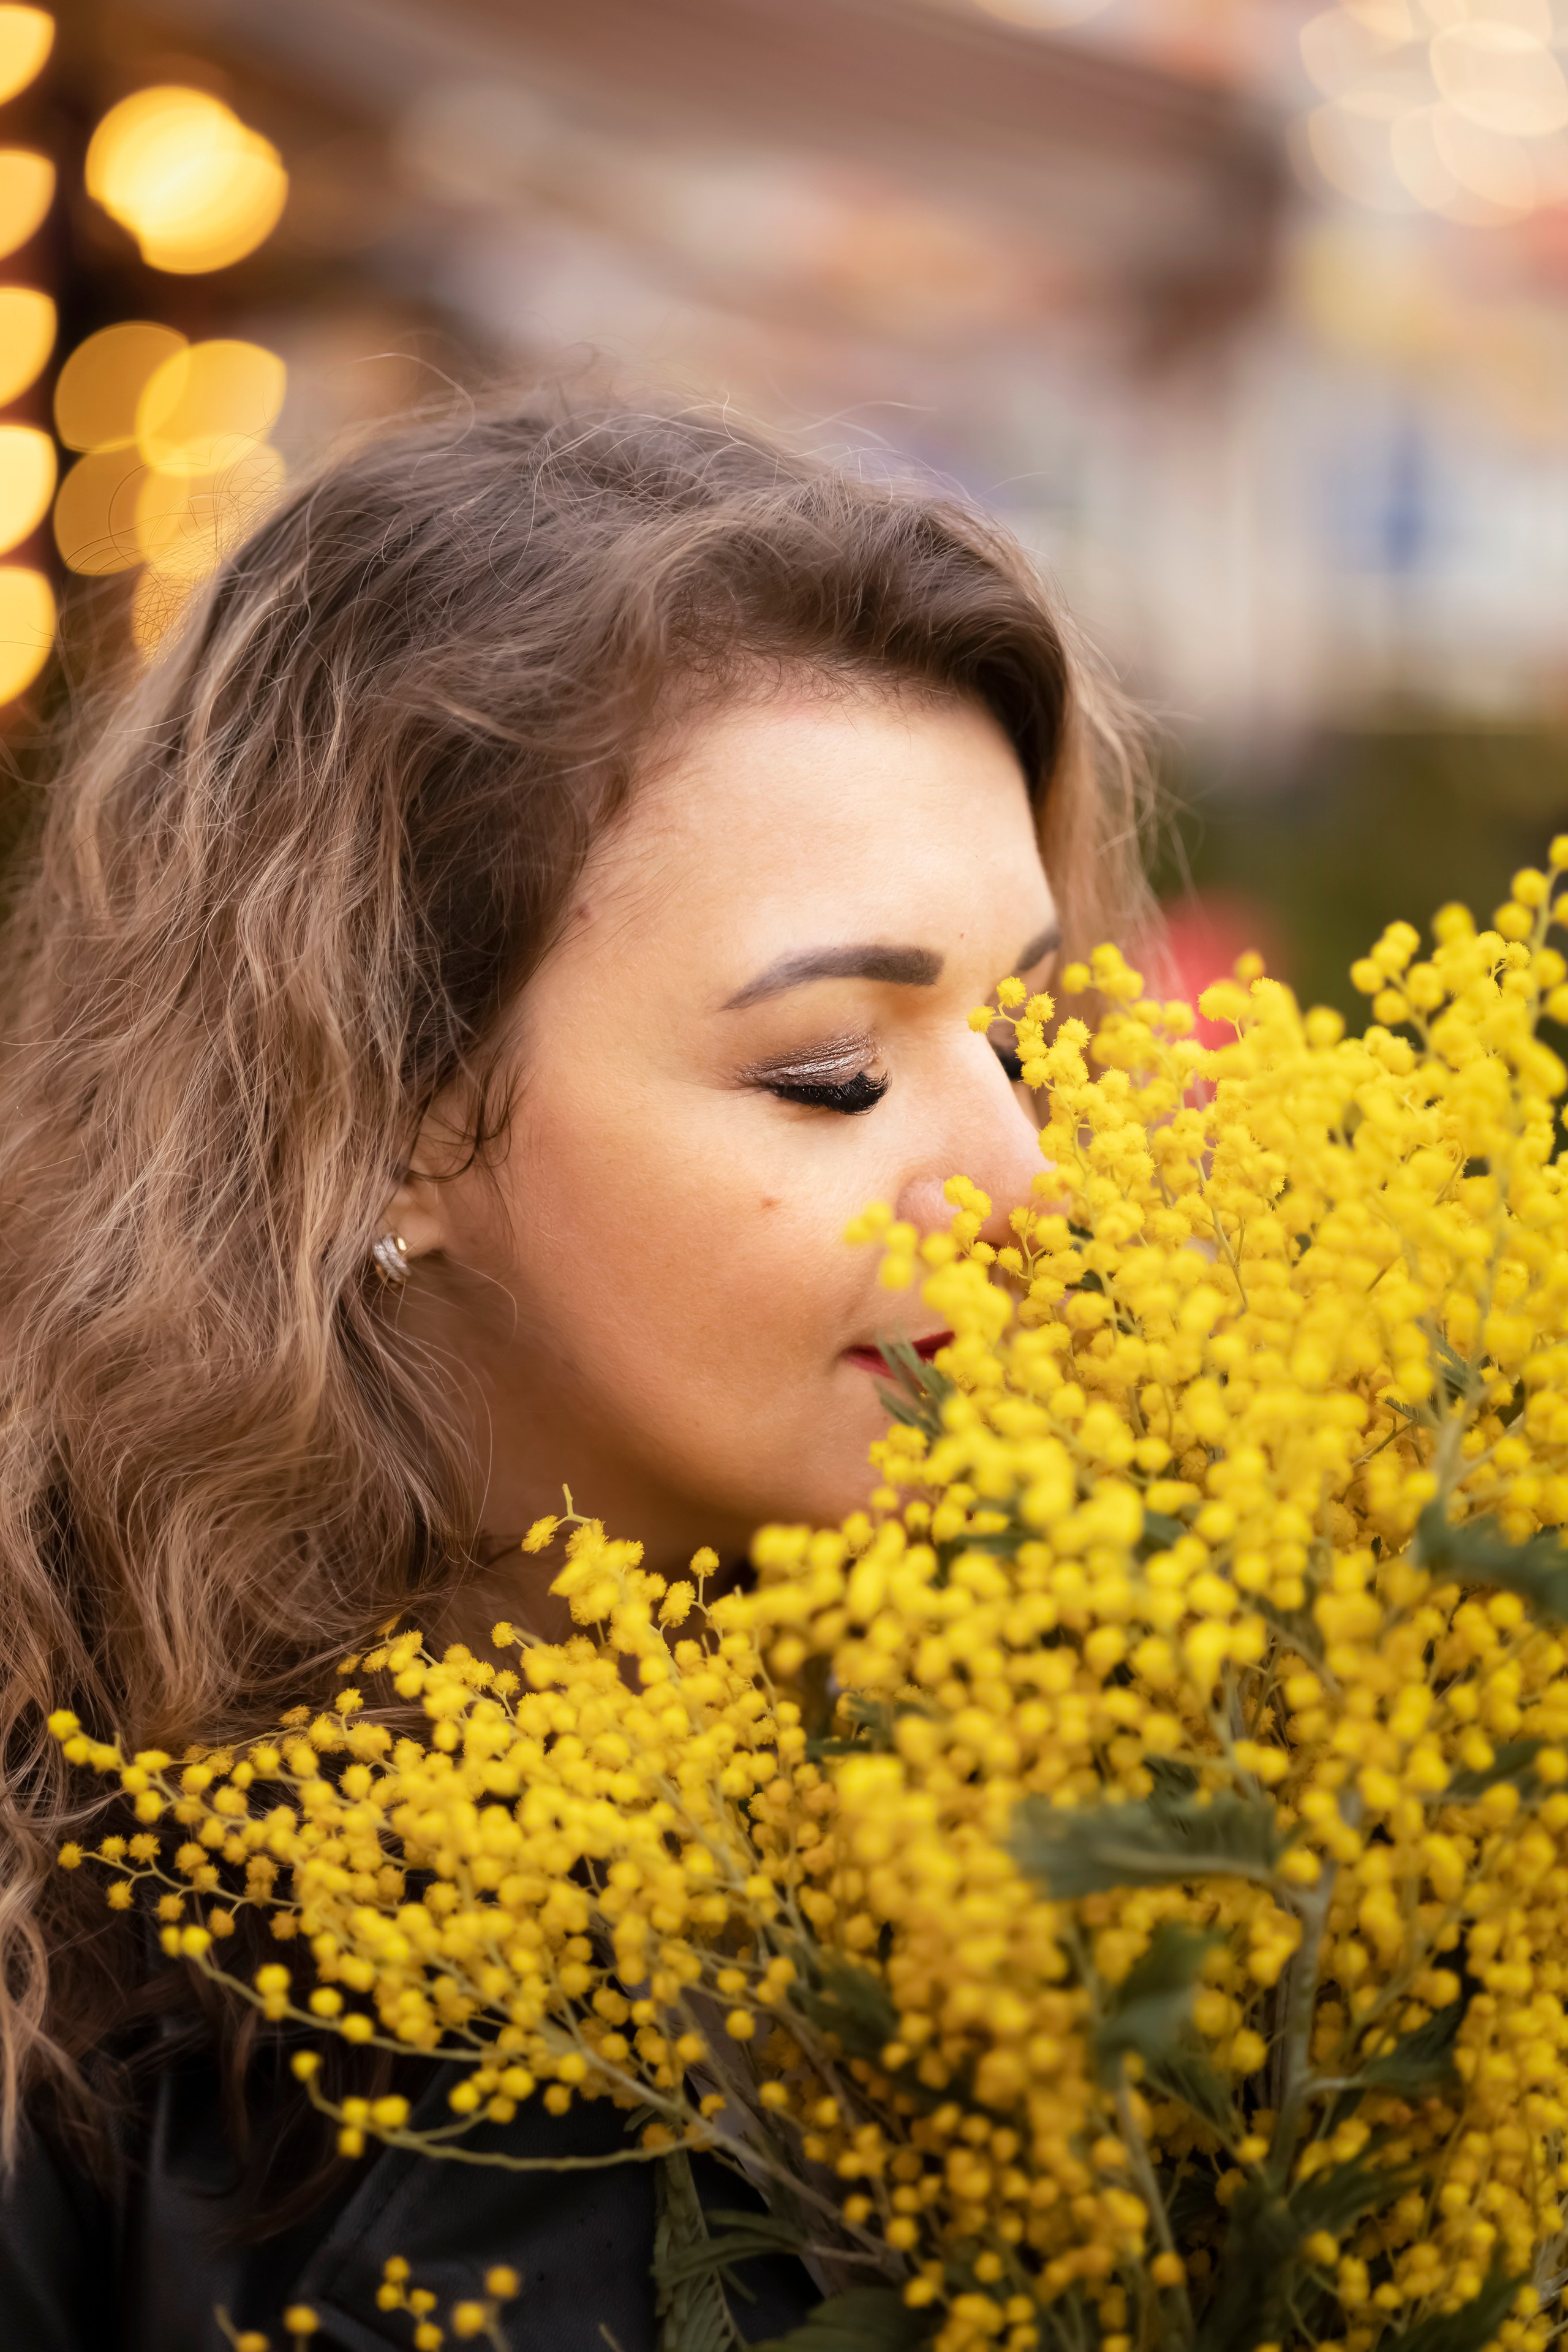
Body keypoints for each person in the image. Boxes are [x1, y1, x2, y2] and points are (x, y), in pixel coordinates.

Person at [0, 394, 1154, 2347]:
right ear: (372, 1113)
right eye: (831, 1075)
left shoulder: (1173, 1810)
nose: (1026, 1188)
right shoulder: (77, 1986)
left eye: (1019, 1033)